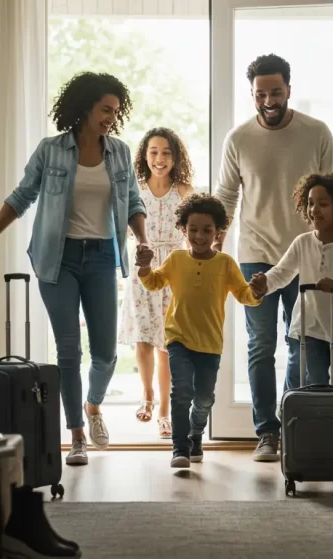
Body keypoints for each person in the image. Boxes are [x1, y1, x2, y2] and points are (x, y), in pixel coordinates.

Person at [0, 71, 149, 467]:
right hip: (57, 258)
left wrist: (144, 242)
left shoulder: (119, 152)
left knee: (105, 353)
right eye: (105, 109)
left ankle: (94, 405)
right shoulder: (51, 150)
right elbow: (20, 198)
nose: (111, 118)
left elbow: (133, 202)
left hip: (101, 257)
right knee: (68, 349)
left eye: (115, 112)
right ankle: (76, 433)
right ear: (85, 107)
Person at [213, 53, 333, 461]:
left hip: (305, 254)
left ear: (289, 88)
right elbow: (227, 195)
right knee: (260, 345)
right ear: (252, 94)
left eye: (275, 92)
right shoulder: (237, 139)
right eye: (260, 94)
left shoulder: (316, 132)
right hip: (256, 256)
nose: (268, 100)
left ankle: (292, 425)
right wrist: (215, 240)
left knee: (302, 343)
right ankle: (267, 433)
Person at [136, 194, 264, 468]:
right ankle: (179, 449)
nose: (199, 236)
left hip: (210, 344)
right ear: (183, 229)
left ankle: (195, 434)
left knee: (204, 399)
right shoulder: (176, 259)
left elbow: (244, 295)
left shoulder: (225, 263)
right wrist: (145, 266)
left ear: (218, 231)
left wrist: (257, 292)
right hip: (178, 338)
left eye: (207, 230)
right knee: (181, 392)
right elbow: (154, 282)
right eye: (193, 230)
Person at [250, 172, 333, 396]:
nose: (314, 210)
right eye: (310, 203)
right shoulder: (302, 243)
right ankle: (316, 429)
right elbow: (282, 272)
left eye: (323, 204)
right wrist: (265, 283)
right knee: (314, 385)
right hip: (310, 328)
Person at [117, 128, 196, 439]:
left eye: (166, 152)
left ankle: (164, 412)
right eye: (153, 152)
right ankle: (146, 396)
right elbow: (120, 229)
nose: (160, 159)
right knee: (143, 338)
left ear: (175, 157)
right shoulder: (134, 191)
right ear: (144, 156)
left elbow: (202, 231)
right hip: (144, 268)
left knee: (169, 344)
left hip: (175, 270)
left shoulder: (185, 191)